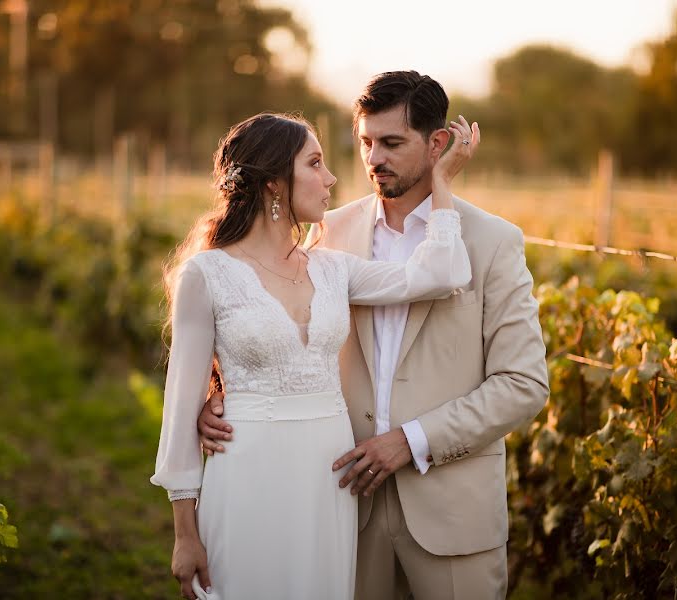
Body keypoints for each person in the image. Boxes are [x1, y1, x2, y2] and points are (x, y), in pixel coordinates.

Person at [198, 71, 549, 599]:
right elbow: (278, 327)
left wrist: (410, 442)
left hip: (452, 515)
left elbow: (524, 384)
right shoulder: (328, 230)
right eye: (365, 141)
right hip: (341, 505)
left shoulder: (493, 242)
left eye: (391, 143)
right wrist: (223, 397)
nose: (372, 158)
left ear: (437, 145)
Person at [150, 110, 479, 600]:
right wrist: (184, 532)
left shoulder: (334, 271)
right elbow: (180, 412)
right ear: (275, 183)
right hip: (246, 474)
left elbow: (441, 273)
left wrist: (441, 180)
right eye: (315, 163)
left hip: (327, 480)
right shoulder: (206, 275)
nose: (331, 179)